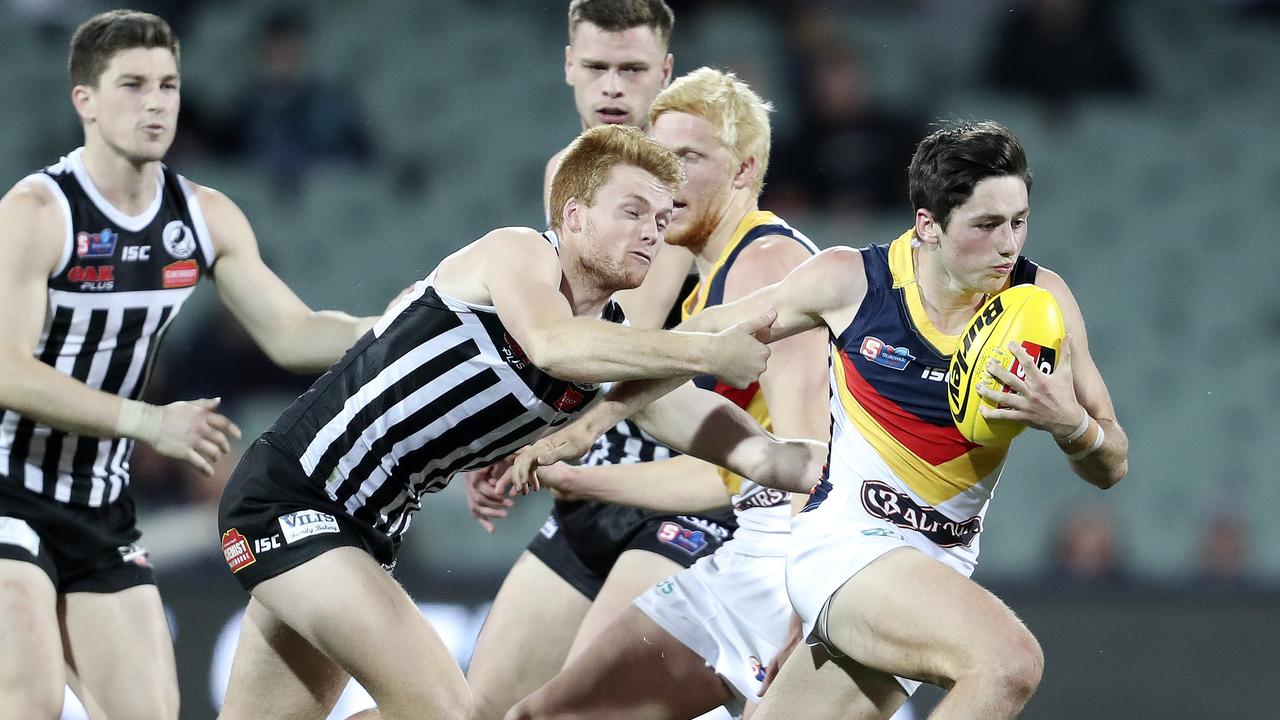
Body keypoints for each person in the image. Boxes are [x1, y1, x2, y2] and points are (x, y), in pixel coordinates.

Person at [508, 120, 1129, 719]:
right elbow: (698, 338)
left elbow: (1112, 463)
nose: (1009, 245)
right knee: (1007, 663)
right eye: (987, 224)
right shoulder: (853, 281)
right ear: (929, 227)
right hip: (846, 546)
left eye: (1019, 222)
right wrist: (584, 427)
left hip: (933, 570)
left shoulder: (1041, 302)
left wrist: (1071, 425)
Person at [215, 123, 824, 720]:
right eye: (633, 212)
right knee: (445, 710)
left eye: (662, 222)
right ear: (575, 214)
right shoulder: (518, 252)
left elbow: (766, 458)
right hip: (295, 496)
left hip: (367, 531)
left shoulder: (615, 352)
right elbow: (552, 345)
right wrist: (709, 351)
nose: (651, 234)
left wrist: (884, 470)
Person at [0, 10, 383, 719]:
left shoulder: (204, 215)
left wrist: (402, 327)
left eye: (169, 85)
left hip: (99, 510)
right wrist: (148, 421)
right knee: (26, 701)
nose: (156, 102)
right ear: (84, 99)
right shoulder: (36, 212)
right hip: (7, 494)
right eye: (134, 84)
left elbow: (292, 332)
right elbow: (7, 371)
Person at [504, 66, 829, 720]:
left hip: (794, 561)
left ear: (744, 171)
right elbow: (738, 476)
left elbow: (810, 463)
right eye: (660, 156)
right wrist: (578, 472)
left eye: (689, 158)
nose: (669, 179)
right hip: (758, 542)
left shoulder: (767, 264)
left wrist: (809, 604)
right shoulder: (716, 275)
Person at [464, 4, 733, 719]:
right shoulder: (569, 175)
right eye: (596, 67)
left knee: (577, 714)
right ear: (567, 67)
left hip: (674, 498)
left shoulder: (675, 186)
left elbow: (618, 344)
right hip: (586, 496)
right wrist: (499, 441)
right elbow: (555, 333)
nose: (613, 87)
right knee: (474, 708)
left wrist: (534, 439)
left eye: (633, 69)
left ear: (666, 73)